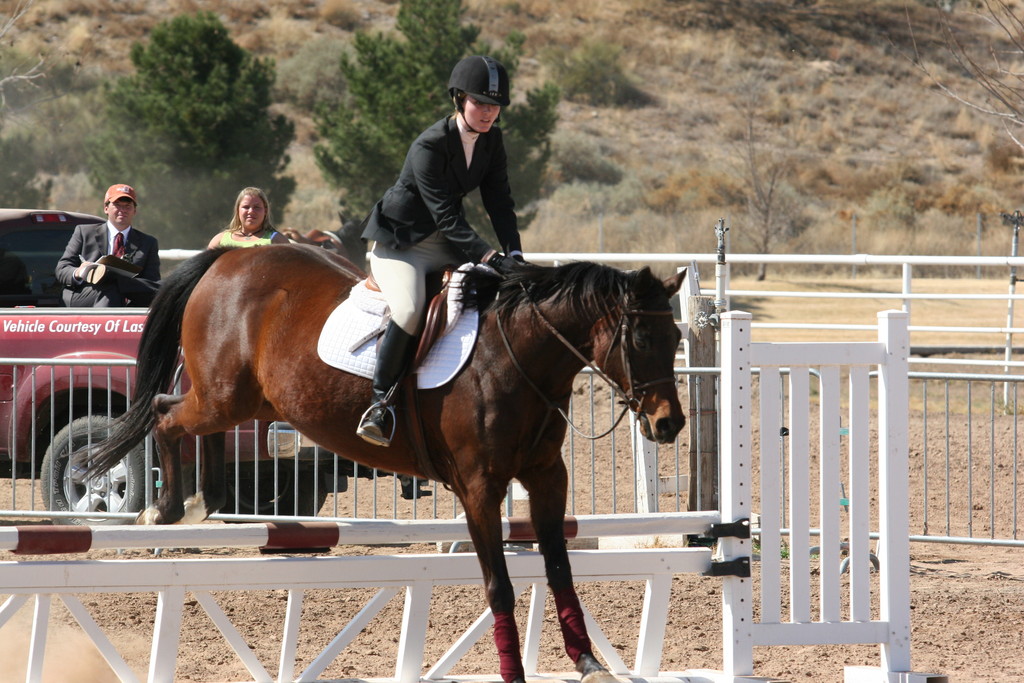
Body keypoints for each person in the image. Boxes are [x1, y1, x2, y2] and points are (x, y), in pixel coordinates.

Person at [356, 55, 526, 446]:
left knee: (488, 297)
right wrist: (487, 256)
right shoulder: (429, 145)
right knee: (411, 309)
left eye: (495, 106)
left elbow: (499, 201)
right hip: (401, 244)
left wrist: (514, 254)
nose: (488, 113)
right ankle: (379, 405)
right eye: (480, 103)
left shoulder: (492, 140)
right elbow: (447, 215)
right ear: (459, 99)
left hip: (446, 242)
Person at [55, 183, 161, 307]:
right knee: (111, 289)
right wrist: (80, 272)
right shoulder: (84, 233)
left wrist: (118, 280)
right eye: (117, 205)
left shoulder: (148, 242)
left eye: (127, 206)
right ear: (106, 208)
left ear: (135, 211)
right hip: (84, 294)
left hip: (128, 298)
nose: (122, 210)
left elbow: (152, 283)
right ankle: (103, 325)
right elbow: (62, 269)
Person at [207, 186, 288, 249]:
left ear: (265, 210)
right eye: (246, 207)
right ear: (237, 210)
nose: (251, 211)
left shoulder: (278, 241)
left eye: (257, 207)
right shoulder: (219, 241)